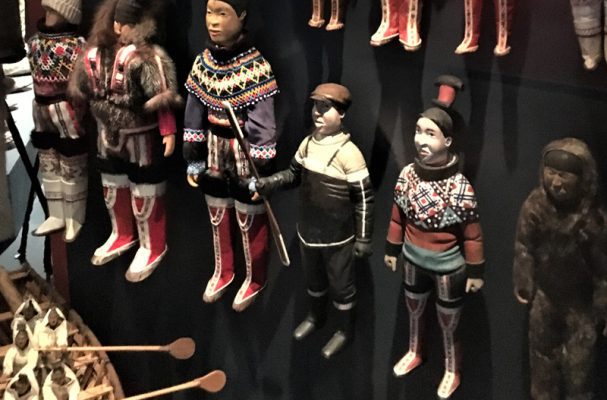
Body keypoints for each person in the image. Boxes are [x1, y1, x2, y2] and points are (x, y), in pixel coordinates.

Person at [252, 83, 374, 358]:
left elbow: (364, 199)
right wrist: (271, 182)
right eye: (316, 106)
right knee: (314, 280)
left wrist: (364, 238)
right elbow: (293, 175)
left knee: (342, 287)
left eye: (325, 107)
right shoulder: (308, 143)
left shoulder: (349, 153)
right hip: (308, 232)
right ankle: (316, 316)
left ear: (341, 113)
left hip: (338, 237)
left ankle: (344, 330)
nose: (318, 112)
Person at [384, 75, 484, 399]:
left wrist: (475, 270)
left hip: (447, 267)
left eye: (431, 134)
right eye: (418, 131)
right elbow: (397, 217)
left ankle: (452, 369)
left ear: (448, 140)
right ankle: (415, 351)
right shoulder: (407, 176)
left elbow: (472, 235)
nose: (421, 141)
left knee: (448, 321)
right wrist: (392, 249)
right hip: (412, 258)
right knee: (414, 310)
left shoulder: (459, 187)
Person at [69, 0, 181, 281]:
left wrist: (168, 130)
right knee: (112, 184)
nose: (120, 28)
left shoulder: (145, 56)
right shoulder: (96, 53)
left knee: (145, 188)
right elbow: (83, 87)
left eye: (126, 23)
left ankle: (152, 245)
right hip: (107, 132)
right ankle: (121, 233)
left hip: (139, 135)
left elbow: (161, 96)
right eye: (118, 22)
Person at [183, 0, 279, 311]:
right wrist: (194, 158)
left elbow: (263, 124)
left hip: (243, 150)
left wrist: (262, 169)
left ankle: (255, 276)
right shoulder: (203, 63)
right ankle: (223, 270)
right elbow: (194, 112)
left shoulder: (256, 67)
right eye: (209, 12)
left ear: (242, 16)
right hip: (214, 146)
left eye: (222, 13)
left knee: (248, 211)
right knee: (217, 209)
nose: (213, 21)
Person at [513, 137, 607, 400]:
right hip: (545, 300)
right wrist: (524, 279)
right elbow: (524, 245)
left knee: (579, 373)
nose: (556, 182)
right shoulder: (535, 207)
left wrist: (604, 307)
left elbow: (603, 270)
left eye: (565, 175)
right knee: (542, 371)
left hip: (581, 307)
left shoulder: (593, 218)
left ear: (584, 179)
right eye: (551, 173)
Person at [27, 0, 87, 242]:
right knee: (48, 157)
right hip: (40, 107)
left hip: (65, 107)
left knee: (71, 158)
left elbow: (83, 82)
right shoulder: (34, 42)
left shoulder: (76, 46)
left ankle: (74, 215)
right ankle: (56, 212)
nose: (49, 13)